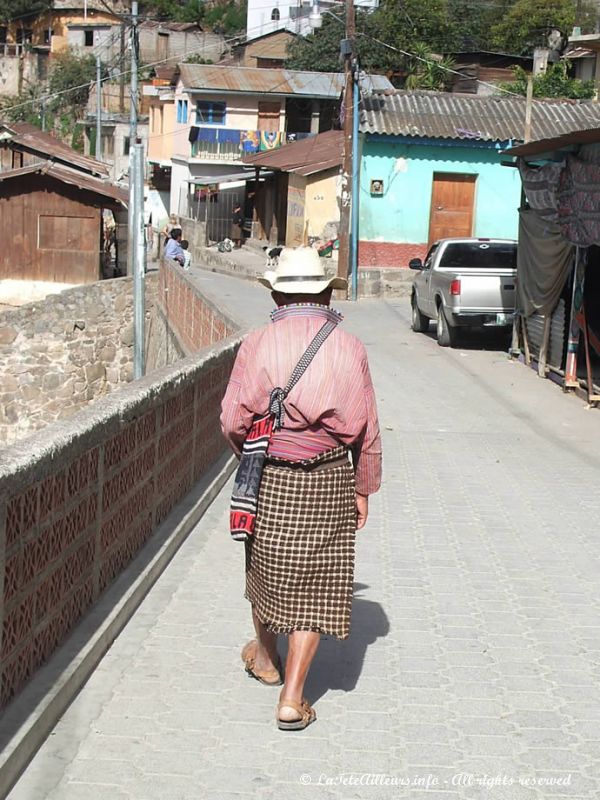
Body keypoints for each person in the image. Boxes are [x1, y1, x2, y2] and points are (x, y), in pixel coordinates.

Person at [220, 247, 382, 731]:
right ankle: (292, 697)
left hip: (271, 473)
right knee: (319, 581)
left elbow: (232, 419)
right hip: (331, 473)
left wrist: (252, 459)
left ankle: (267, 661)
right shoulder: (350, 346)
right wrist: (363, 486)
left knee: (263, 568)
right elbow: (367, 428)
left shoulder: (257, 342)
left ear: (276, 292)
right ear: (327, 291)